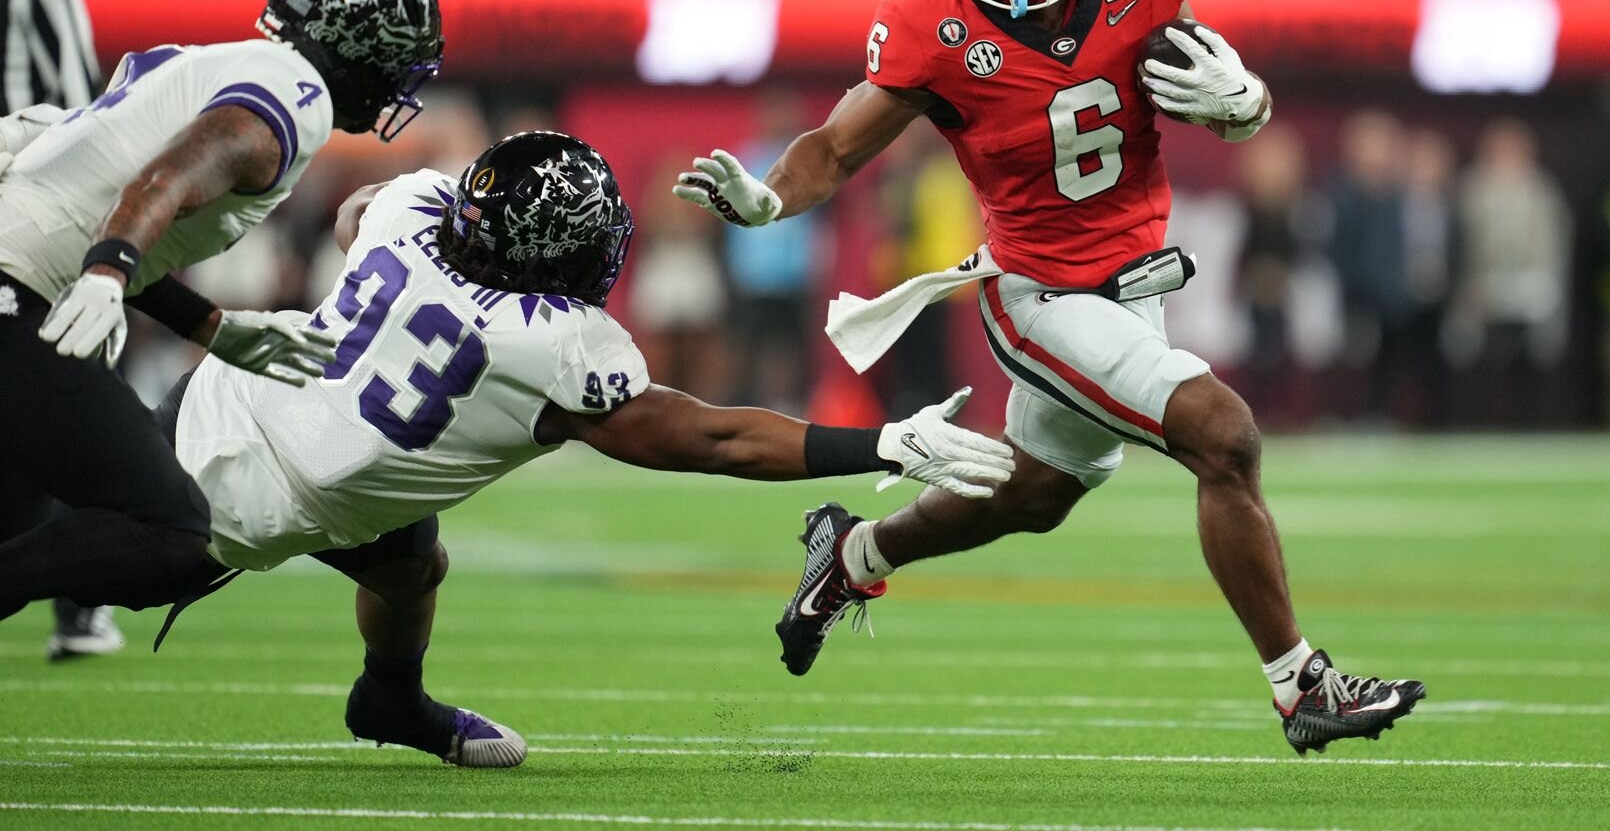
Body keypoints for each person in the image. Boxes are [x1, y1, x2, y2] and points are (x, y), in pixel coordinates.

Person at [674, 0, 1424, 755]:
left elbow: (1220, 83)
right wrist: (766, 196)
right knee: (1222, 436)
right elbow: (830, 148)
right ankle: (1301, 688)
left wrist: (1250, 106)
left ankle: (854, 552)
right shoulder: (930, 28)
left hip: (1135, 280)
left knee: (1036, 493)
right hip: (1039, 295)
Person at [153, 130, 1014, 767]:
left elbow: (353, 215)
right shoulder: (551, 342)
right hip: (248, 477)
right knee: (110, 559)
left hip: (273, 413)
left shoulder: (411, 209)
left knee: (411, 561)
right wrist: (883, 443)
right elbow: (713, 438)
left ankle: (391, 700)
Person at [0, 0, 443, 626]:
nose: (397, 84)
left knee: (20, 514)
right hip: (17, 284)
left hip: (24, 271)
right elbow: (165, 180)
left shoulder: (212, 63)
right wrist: (109, 267)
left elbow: (106, 196)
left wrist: (213, 328)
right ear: (359, 49)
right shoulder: (297, 99)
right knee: (170, 530)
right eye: (396, 62)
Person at [0, 0, 120, 658]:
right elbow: (84, 106)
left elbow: (81, 106)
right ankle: (83, 595)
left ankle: (81, 594)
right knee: (68, 393)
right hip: (25, 221)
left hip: (22, 206)